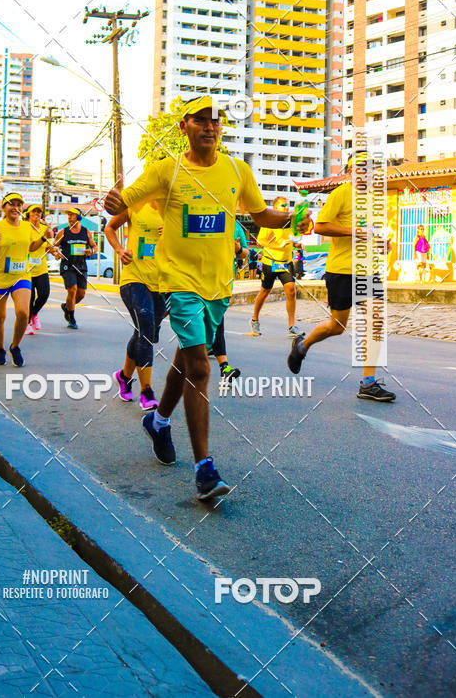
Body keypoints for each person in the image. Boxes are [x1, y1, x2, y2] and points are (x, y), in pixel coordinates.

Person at [104, 95, 310, 501]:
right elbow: (121, 201)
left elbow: (261, 214)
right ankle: (204, 470)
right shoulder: (166, 171)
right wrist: (113, 201)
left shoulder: (237, 170)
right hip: (177, 282)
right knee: (200, 367)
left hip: (218, 285)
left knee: (185, 361)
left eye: (216, 121)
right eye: (201, 120)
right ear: (185, 126)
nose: (210, 127)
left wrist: (294, 218)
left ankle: (159, 422)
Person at [287, 152, 395, 402]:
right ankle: (302, 346)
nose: (365, 173)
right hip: (341, 271)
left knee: (375, 320)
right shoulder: (341, 194)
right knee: (337, 327)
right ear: (350, 171)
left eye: (369, 168)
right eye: (359, 168)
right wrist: (355, 232)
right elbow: (321, 226)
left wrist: (382, 244)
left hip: (368, 271)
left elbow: (372, 233)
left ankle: (368, 383)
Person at [105, 201, 165, 410]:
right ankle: (146, 391)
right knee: (146, 325)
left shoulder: (176, 207)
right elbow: (109, 227)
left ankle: (124, 376)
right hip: (134, 277)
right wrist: (120, 249)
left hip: (164, 282)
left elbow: (191, 240)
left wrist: (174, 233)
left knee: (145, 332)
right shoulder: (135, 205)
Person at [0, 193, 46, 367]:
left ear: (22, 208)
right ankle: (0, 348)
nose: (15, 207)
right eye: (11, 204)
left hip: (21, 276)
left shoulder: (27, 227)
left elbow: (31, 247)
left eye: (19, 204)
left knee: (23, 313)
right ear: (4, 208)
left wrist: (44, 237)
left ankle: (15, 346)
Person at [251, 196, 304, 337]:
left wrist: (297, 244)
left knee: (291, 291)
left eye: (287, 205)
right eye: (282, 205)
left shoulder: (291, 222)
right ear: (275, 208)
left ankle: (292, 326)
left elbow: (291, 240)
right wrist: (277, 245)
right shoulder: (270, 222)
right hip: (270, 262)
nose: (286, 208)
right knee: (265, 291)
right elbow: (260, 240)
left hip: (286, 262)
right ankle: (255, 319)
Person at [209, 219, 249, 382]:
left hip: (222, 282)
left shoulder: (235, 225)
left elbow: (245, 253)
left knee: (218, 323)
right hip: (196, 280)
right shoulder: (202, 214)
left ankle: (224, 367)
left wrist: (238, 248)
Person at [54, 208, 96, 330]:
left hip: (81, 265)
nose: (69, 217)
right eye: (68, 215)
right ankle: (72, 319)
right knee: (72, 289)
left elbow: (94, 246)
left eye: (72, 215)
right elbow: (53, 246)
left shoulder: (86, 232)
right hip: (68, 265)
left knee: (81, 294)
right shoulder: (63, 232)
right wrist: (56, 253)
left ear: (79, 217)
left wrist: (91, 251)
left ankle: (67, 307)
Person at [24, 204, 55, 335]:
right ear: (28, 214)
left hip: (41, 268)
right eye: (34, 212)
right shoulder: (24, 228)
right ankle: (27, 323)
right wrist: (43, 238)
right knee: (29, 298)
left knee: (44, 294)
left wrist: (54, 251)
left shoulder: (44, 228)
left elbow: (48, 247)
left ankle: (34, 314)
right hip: (27, 269)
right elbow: (31, 247)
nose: (36, 214)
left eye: (39, 212)